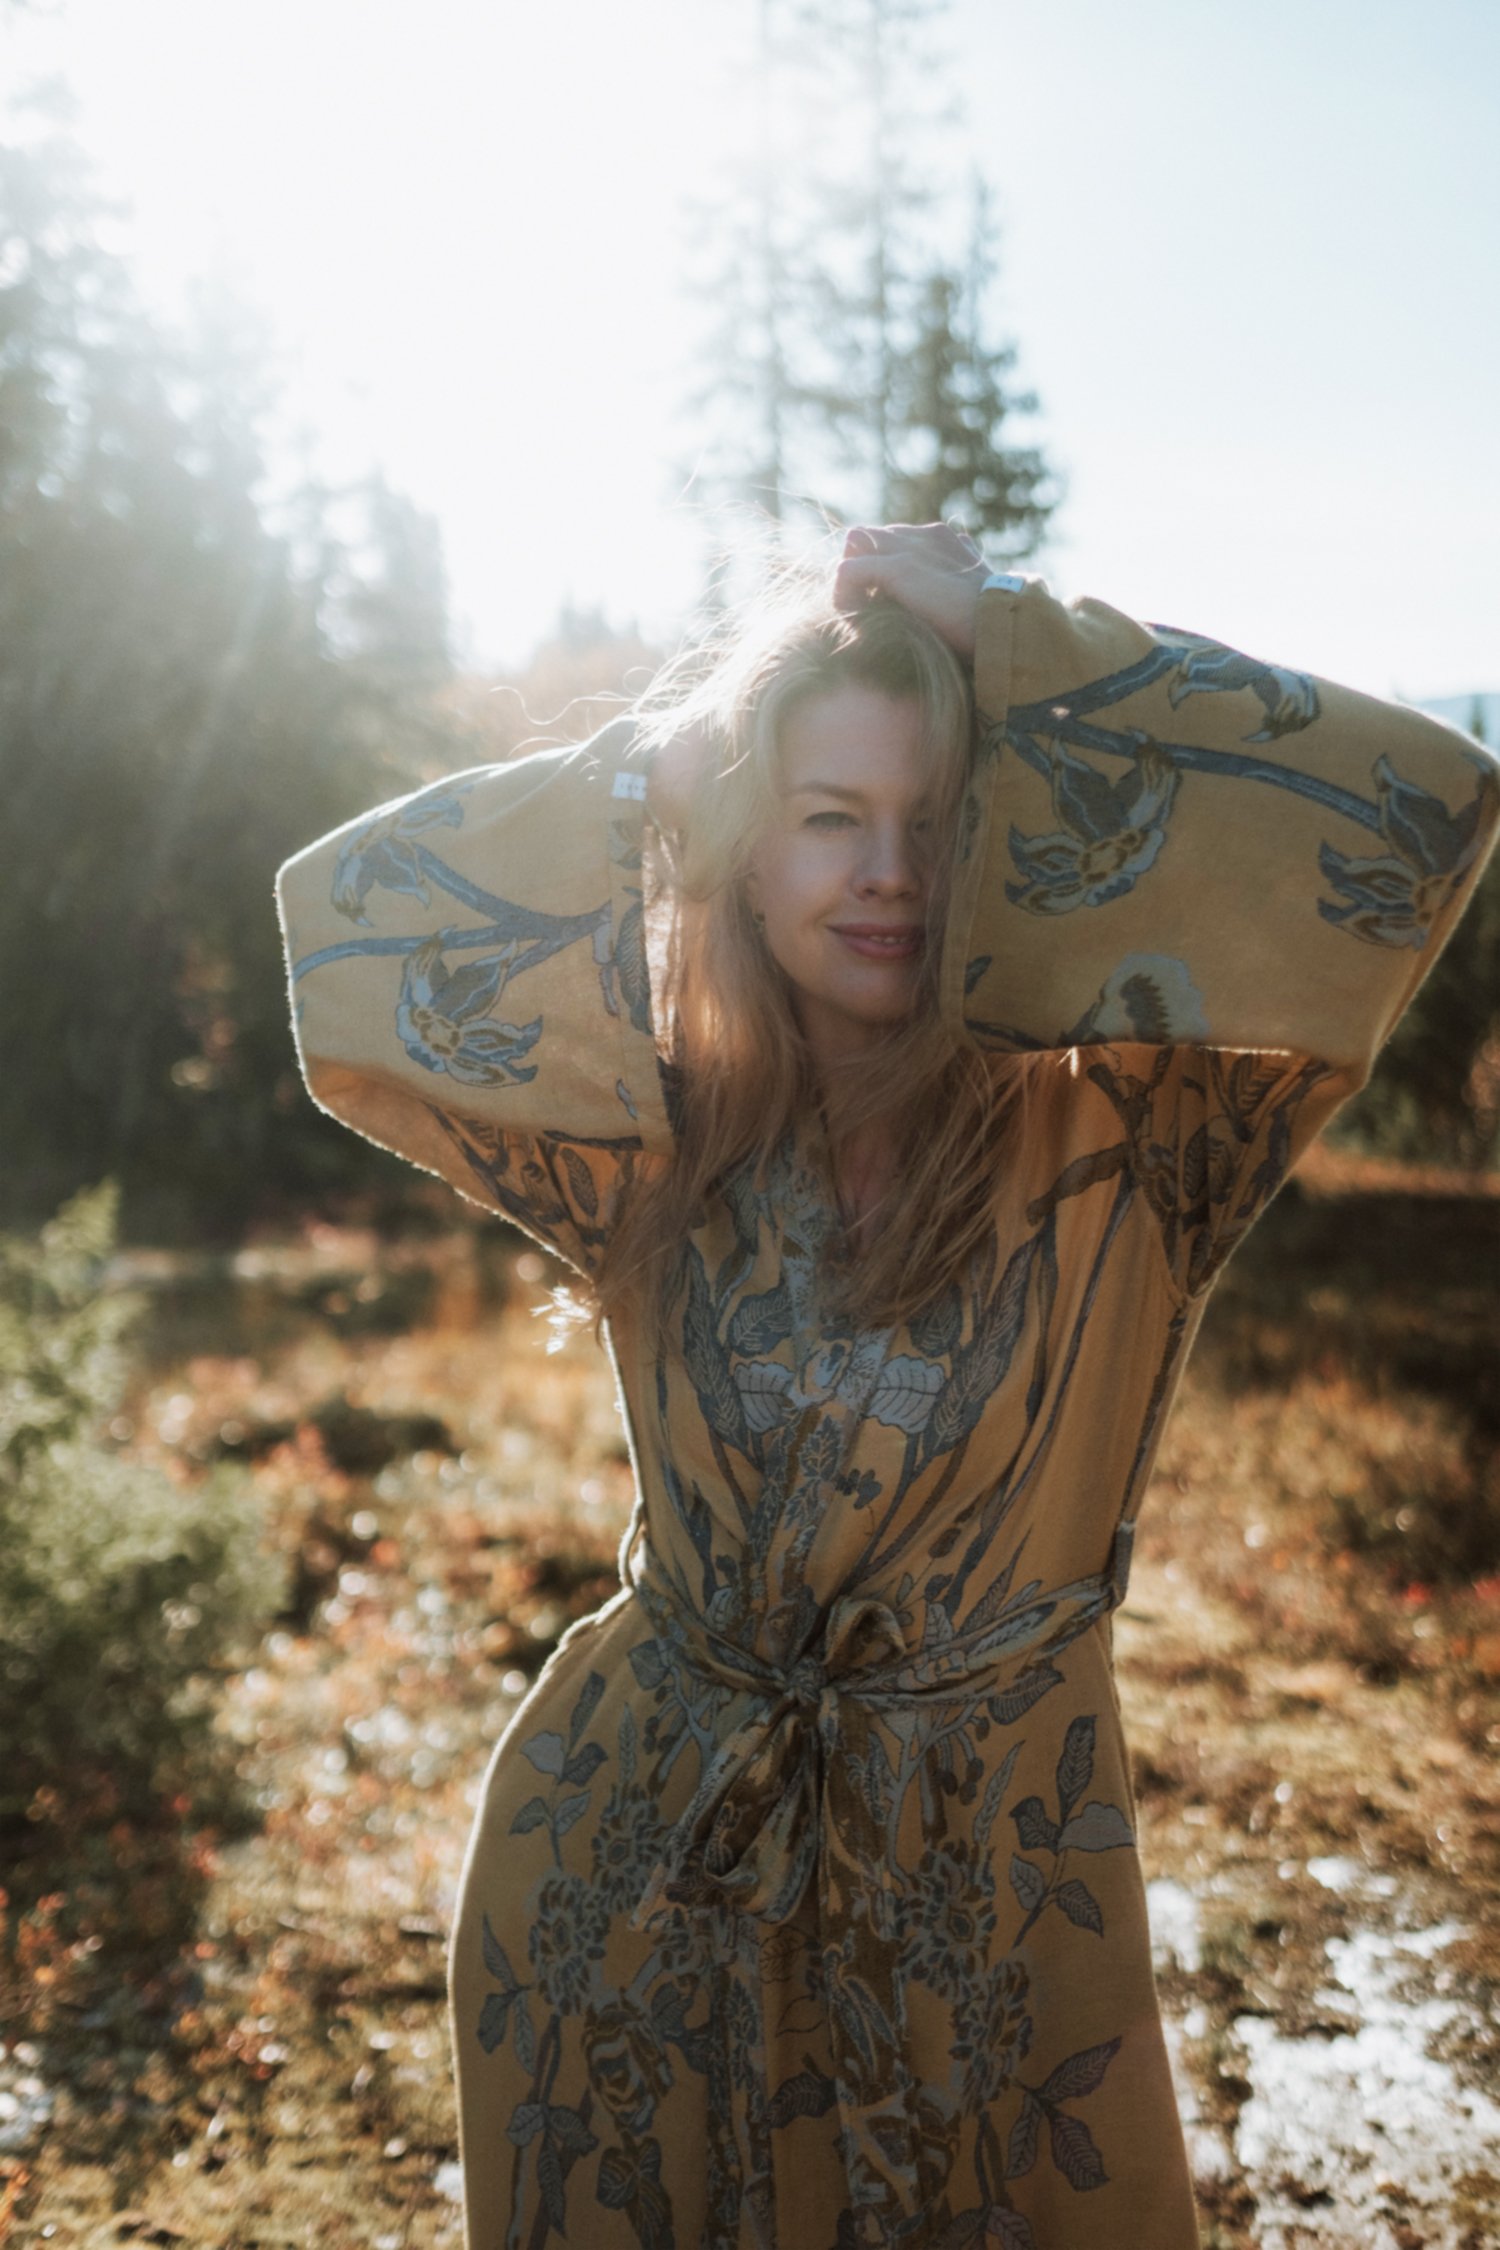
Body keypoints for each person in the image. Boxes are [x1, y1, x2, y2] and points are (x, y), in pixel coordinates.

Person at [276, 523, 1499, 2250]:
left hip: (998, 1905)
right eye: (829, 815)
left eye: (942, 820)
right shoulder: (654, 1134)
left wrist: (1018, 641)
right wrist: (657, 764)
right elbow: (349, 940)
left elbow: (1418, 805)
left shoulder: (1144, 1125)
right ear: (743, 852)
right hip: (639, 1884)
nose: (890, 873)